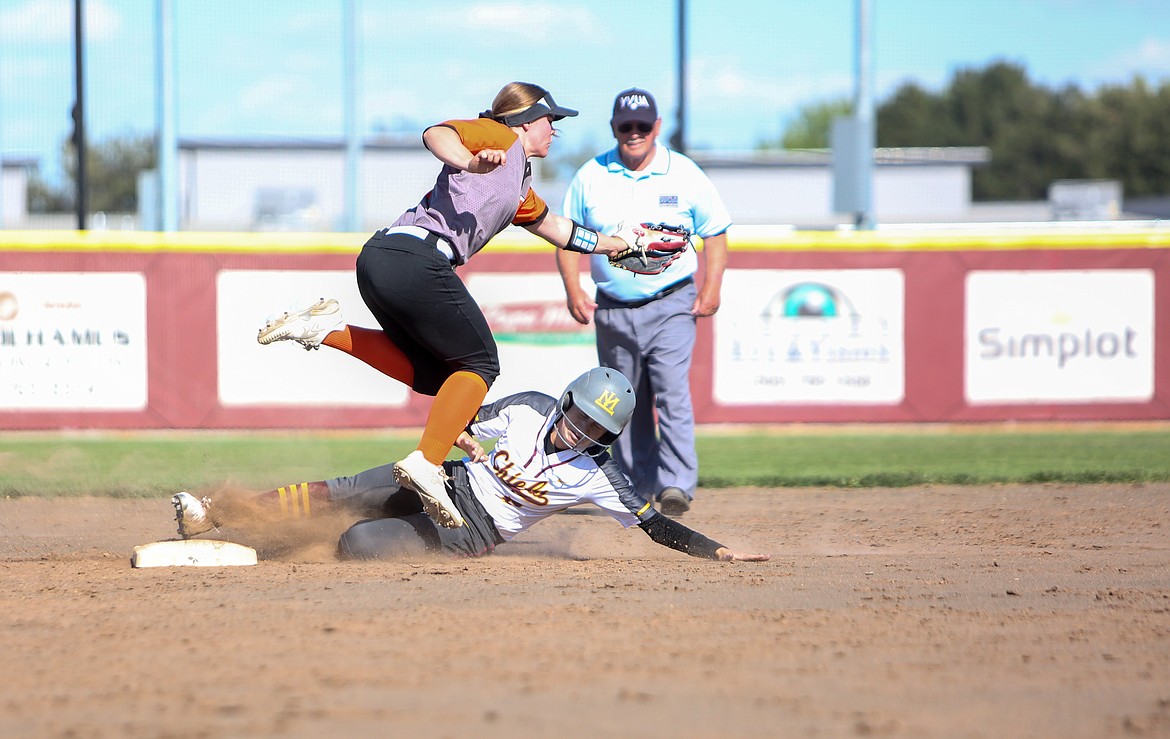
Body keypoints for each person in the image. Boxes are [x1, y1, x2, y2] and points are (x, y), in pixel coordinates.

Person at [256, 82, 663, 532]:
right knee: (481, 363)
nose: (555, 129)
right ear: (525, 120)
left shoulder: (519, 185)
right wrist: (469, 159)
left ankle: (327, 330)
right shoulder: (500, 137)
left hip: (383, 259)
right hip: (416, 259)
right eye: (551, 120)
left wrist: (616, 246)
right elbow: (436, 134)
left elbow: (558, 229)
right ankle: (427, 462)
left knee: (436, 376)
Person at [172, 368, 769, 563]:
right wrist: (465, 441)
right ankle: (218, 514)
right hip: (447, 478)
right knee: (348, 487)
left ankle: (260, 545)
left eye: (597, 428)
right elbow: (457, 418)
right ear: (564, 402)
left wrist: (717, 550)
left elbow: (652, 524)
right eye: (580, 415)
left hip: (469, 528)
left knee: (357, 543)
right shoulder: (529, 409)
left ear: (606, 436)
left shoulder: (597, 475)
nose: (581, 429)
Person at [555, 88, 731, 517]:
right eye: (624, 126)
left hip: (671, 301)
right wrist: (574, 289)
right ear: (614, 127)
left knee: (671, 394)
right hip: (613, 305)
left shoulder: (684, 173)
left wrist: (712, 287)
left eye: (641, 125)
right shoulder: (592, 175)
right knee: (620, 400)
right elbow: (565, 236)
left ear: (656, 127)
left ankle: (675, 485)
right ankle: (636, 486)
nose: (633, 133)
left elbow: (716, 231)